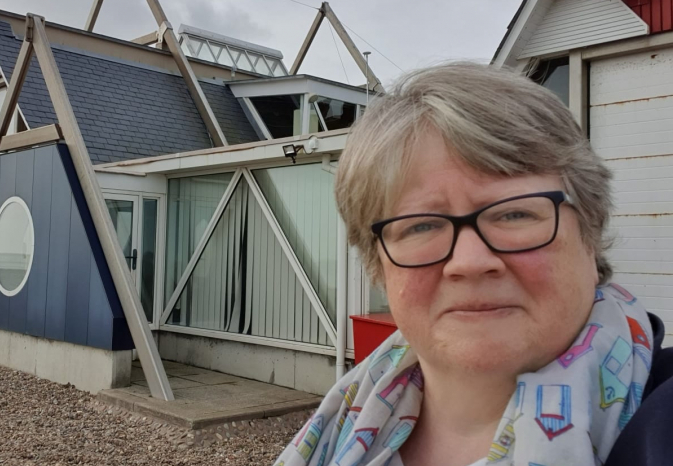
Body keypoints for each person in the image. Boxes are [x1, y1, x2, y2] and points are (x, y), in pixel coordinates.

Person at [273, 62, 673, 466]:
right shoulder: (343, 422)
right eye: (421, 226)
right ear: (378, 265)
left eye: (514, 214)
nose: (469, 262)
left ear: (590, 232)